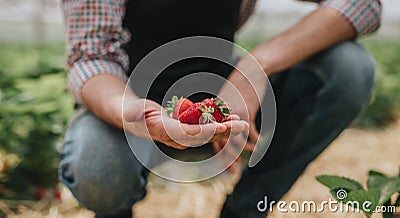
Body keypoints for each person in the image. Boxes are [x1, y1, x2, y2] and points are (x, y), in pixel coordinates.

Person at [59, 0, 382, 217]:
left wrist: (255, 67)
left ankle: (245, 211)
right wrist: (131, 112)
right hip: (125, 102)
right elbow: (91, 58)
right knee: (97, 166)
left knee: (348, 68)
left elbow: (363, 4)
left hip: (224, 97)